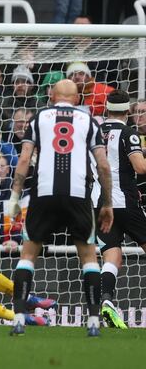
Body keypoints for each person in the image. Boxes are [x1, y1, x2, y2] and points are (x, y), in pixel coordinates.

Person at [6, 80, 114, 337]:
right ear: (77, 99)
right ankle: (93, 322)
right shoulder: (89, 120)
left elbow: (23, 159)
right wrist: (107, 203)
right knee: (88, 257)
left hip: (43, 194)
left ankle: (19, 317)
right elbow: (103, 165)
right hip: (78, 195)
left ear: (52, 96)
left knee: (28, 255)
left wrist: (14, 197)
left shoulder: (40, 117)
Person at [87, 90, 146, 329]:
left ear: (106, 108)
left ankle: (107, 301)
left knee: (112, 255)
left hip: (99, 205)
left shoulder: (94, 134)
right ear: (128, 110)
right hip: (124, 202)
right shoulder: (129, 133)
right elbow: (140, 168)